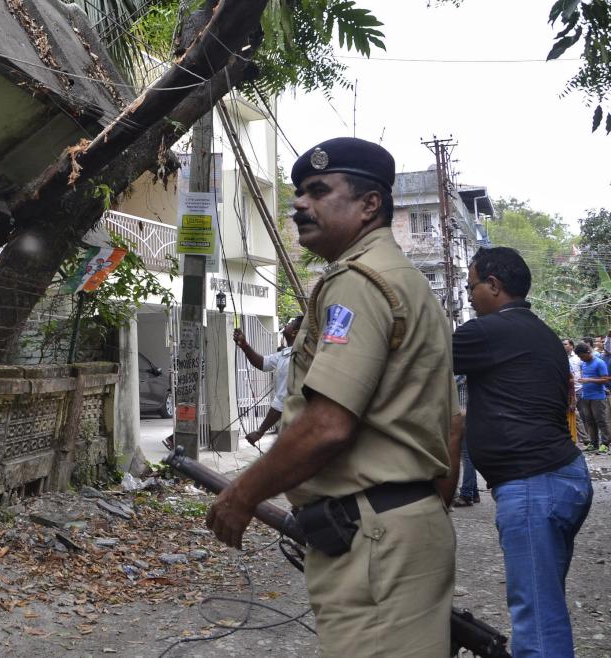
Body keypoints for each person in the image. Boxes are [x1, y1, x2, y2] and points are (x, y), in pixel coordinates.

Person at [205, 137, 460, 657]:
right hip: (391, 526)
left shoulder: (359, 281)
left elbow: (327, 425)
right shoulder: (401, 280)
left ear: (370, 205)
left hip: (372, 534)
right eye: (299, 193)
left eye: (319, 191)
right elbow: (451, 423)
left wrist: (242, 493)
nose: (300, 204)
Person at [453, 247, 590, 658]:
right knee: (545, 604)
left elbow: (411, 359)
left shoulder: (487, 332)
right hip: (563, 478)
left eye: (471, 284)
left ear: (493, 285)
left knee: (538, 620)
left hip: (533, 486)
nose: (470, 294)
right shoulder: (543, 333)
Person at [232, 316, 303, 445]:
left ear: (295, 332)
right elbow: (263, 363)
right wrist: (244, 345)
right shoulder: (285, 354)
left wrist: (260, 432)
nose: (287, 324)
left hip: (296, 425)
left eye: (290, 323)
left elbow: (281, 401)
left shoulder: (293, 359)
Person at [575, 342, 611, 452]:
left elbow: (606, 379)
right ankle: (594, 443)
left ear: (588, 352)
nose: (581, 359)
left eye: (582, 356)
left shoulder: (599, 363)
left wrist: (589, 380)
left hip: (598, 397)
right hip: (586, 396)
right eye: (579, 357)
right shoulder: (583, 364)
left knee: (601, 421)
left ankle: (605, 443)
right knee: (589, 421)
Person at [452, 374, 480, 506]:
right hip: (469, 415)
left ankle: (466, 494)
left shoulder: (461, 373)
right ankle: (473, 493)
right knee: (467, 455)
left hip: (464, 416)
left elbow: (451, 383)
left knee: (466, 456)